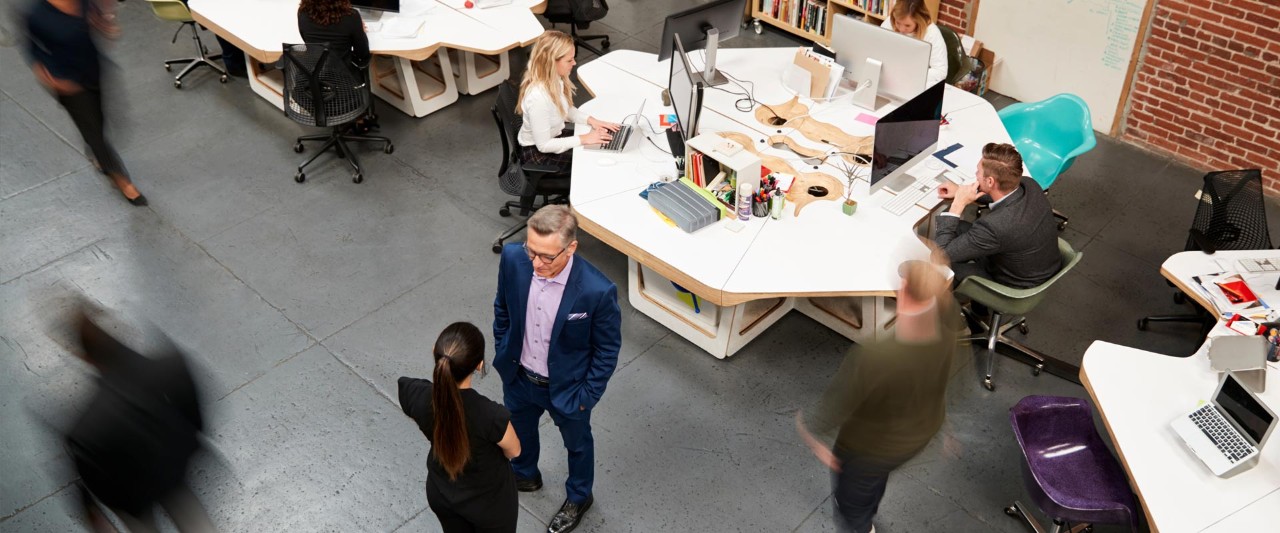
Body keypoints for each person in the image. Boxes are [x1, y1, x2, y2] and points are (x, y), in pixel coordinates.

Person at [796, 259, 959, 533]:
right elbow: (946, 381)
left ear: (905, 294)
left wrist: (813, 434)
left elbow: (841, 403)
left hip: (870, 449)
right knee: (874, 482)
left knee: (851, 503)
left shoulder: (880, 355)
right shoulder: (947, 329)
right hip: (917, 435)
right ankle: (868, 514)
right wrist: (944, 426)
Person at [492, 205, 622, 533]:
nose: (535, 264)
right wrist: (503, 348)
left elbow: (607, 349)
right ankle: (525, 475)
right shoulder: (513, 260)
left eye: (546, 257)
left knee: (578, 445)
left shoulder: (597, 291)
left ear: (571, 248)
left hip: (567, 389)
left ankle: (579, 496)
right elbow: (502, 308)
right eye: (531, 251)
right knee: (520, 430)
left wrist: (586, 396)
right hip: (519, 377)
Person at [62, 303, 214, 532]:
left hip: (134, 502)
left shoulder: (84, 430)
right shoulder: (172, 366)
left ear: (87, 358)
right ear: (122, 333)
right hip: (175, 476)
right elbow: (198, 423)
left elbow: (95, 486)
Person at [20, 0, 147, 206]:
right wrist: (46, 74)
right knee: (95, 134)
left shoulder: (83, 2)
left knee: (99, 120)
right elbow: (32, 49)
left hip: (92, 69)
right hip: (67, 83)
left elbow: (97, 22)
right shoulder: (37, 14)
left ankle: (96, 153)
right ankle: (122, 181)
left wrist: (106, 24)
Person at [399, 322, 522, 533]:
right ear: (479, 365)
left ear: (436, 354)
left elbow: (408, 398)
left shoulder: (416, 394)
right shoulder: (491, 416)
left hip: (442, 495)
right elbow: (514, 451)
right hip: (489, 506)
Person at [934, 142, 1062, 288]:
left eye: (978, 172)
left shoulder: (994, 226)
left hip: (1017, 280)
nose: (976, 175)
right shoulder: (1029, 184)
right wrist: (960, 191)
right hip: (1038, 263)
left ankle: (954, 300)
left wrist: (958, 204)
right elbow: (1000, 195)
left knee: (937, 268)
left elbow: (940, 256)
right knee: (959, 228)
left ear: (990, 181)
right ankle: (958, 256)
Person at [516, 31, 619, 174]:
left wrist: (592, 121)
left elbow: (565, 109)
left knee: (600, 141)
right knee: (594, 160)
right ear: (552, 62)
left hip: (553, 137)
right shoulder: (538, 98)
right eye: (569, 60)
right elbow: (544, 145)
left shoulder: (555, 79)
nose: (574, 63)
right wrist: (585, 139)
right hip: (537, 155)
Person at [880, 0, 948, 88]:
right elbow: (879, 48)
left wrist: (912, 75)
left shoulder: (932, 33)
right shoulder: (890, 21)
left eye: (907, 25)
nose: (901, 29)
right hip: (889, 78)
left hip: (914, 83)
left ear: (919, 21)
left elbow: (940, 71)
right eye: (898, 23)